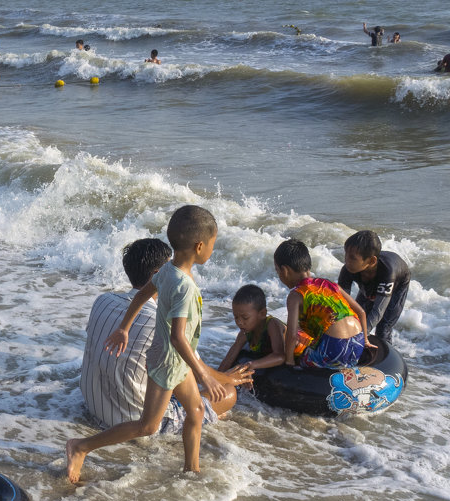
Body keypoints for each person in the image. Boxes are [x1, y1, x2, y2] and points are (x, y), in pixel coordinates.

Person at [66, 206, 251, 483]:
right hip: (168, 364)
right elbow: (178, 337)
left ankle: (192, 471)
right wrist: (203, 376)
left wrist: (123, 328)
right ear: (200, 246)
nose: (212, 250)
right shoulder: (185, 287)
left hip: (173, 361)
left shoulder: (166, 271)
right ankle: (81, 447)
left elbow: (141, 295)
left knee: (197, 410)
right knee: (148, 425)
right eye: (213, 244)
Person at [81, 238, 247, 435]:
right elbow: (194, 370)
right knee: (227, 394)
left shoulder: (103, 300)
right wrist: (229, 378)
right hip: (129, 421)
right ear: (157, 276)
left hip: (93, 403)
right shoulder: (161, 321)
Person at [275, 239, 373, 369]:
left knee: (302, 356)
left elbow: (292, 335)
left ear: (284, 271)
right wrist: (365, 340)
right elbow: (361, 312)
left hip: (335, 347)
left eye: (277, 271)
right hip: (358, 343)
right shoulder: (329, 284)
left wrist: (289, 362)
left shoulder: (296, 295)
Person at [337, 230, 411, 343]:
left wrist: (361, 336)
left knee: (383, 328)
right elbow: (341, 304)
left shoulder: (387, 272)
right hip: (369, 280)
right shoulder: (347, 269)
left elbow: (378, 311)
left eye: (352, 258)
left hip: (398, 283)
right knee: (356, 317)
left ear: (371, 261)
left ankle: (385, 355)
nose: (346, 260)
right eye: (345, 254)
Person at [217, 284, 286, 378]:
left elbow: (280, 356)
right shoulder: (245, 332)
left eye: (245, 318)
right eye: (236, 317)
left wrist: (251, 365)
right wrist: (218, 378)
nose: (239, 322)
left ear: (262, 313)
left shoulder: (272, 325)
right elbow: (229, 358)